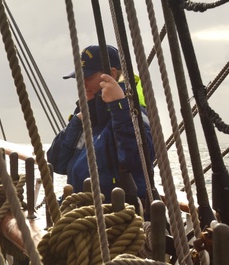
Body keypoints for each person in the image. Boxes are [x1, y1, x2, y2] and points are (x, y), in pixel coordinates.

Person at [47, 44, 155, 205]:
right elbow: (56, 162)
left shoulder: (132, 113)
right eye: (79, 79)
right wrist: (77, 121)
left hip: (116, 220)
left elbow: (138, 160)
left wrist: (119, 106)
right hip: (81, 215)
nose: (83, 85)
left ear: (111, 74)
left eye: (88, 78)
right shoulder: (88, 117)